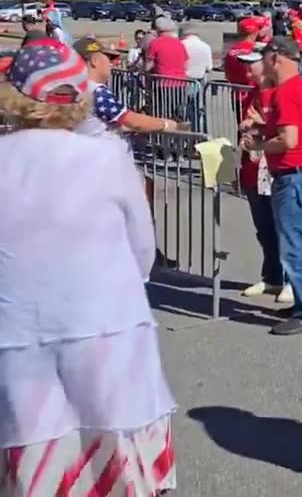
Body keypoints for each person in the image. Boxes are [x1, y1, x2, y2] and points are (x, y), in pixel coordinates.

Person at [0, 40, 177, 494]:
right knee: (114, 451)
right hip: (107, 329)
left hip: (19, 334)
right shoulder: (106, 158)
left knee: (38, 455)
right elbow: (142, 247)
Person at [244, 37, 302, 336]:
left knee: (295, 247)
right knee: (300, 243)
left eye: (264, 57)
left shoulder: (286, 92)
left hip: (294, 175)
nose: (260, 63)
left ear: (275, 58)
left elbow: (288, 139)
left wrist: (260, 143)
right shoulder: (298, 87)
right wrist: (262, 128)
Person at [234, 49, 293, 307]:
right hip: (253, 165)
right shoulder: (252, 92)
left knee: (284, 227)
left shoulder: (277, 92)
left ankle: (292, 280)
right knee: (264, 228)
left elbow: (283, 129)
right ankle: (272, 276)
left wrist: (258, 124)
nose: (247, 71)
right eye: (245, 66)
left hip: (272, 166)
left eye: (252, 65)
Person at [73, 36, 180, 144]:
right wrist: (165, 124)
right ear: (94, 61)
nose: (111, 64)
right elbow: (133, 121)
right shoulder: (97, 92)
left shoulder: (72, 88)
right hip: (99, 155)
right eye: (108, 59)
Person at [144, 17, 189, 121]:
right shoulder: (180, 44)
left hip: (163, 84)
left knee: (161, 114)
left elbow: (148, 66)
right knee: (177, 115)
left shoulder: (155, 43)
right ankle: (178, 136)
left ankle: (161, 136)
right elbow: (185, 64)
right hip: (181, 84)